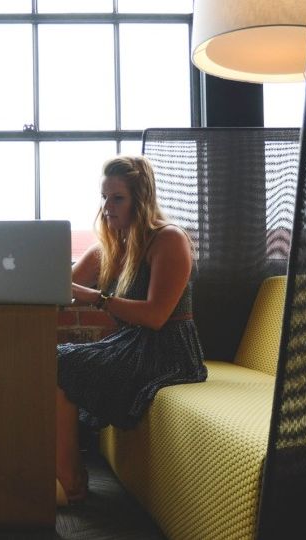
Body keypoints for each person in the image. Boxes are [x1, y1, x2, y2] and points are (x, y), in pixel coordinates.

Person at [55, 155, 207, 504]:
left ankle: (70, 480)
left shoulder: (168, 240)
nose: (107, 207)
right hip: (129, 344)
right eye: (104, 197)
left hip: (168, 350)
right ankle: (67, 471)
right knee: (53, 359)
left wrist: (97, 298)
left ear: (141, 200)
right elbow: (60, 289)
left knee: (61, 362)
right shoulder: (109, 247)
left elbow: (156, 316)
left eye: (117, 198)